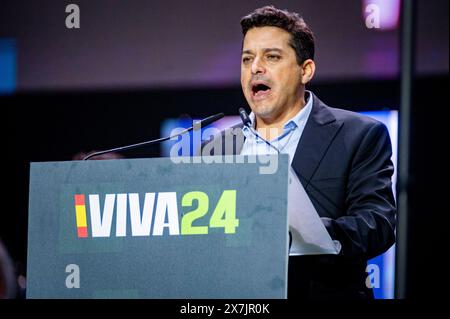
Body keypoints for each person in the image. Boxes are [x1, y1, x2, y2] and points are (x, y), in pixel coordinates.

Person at [201, 5, 396, 299]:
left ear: (305, 70)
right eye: (247, 59)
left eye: (272, 56)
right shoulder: (215, 151)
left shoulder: (359, 135)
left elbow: (377, 224)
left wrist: (308, 233)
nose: (255, 68)